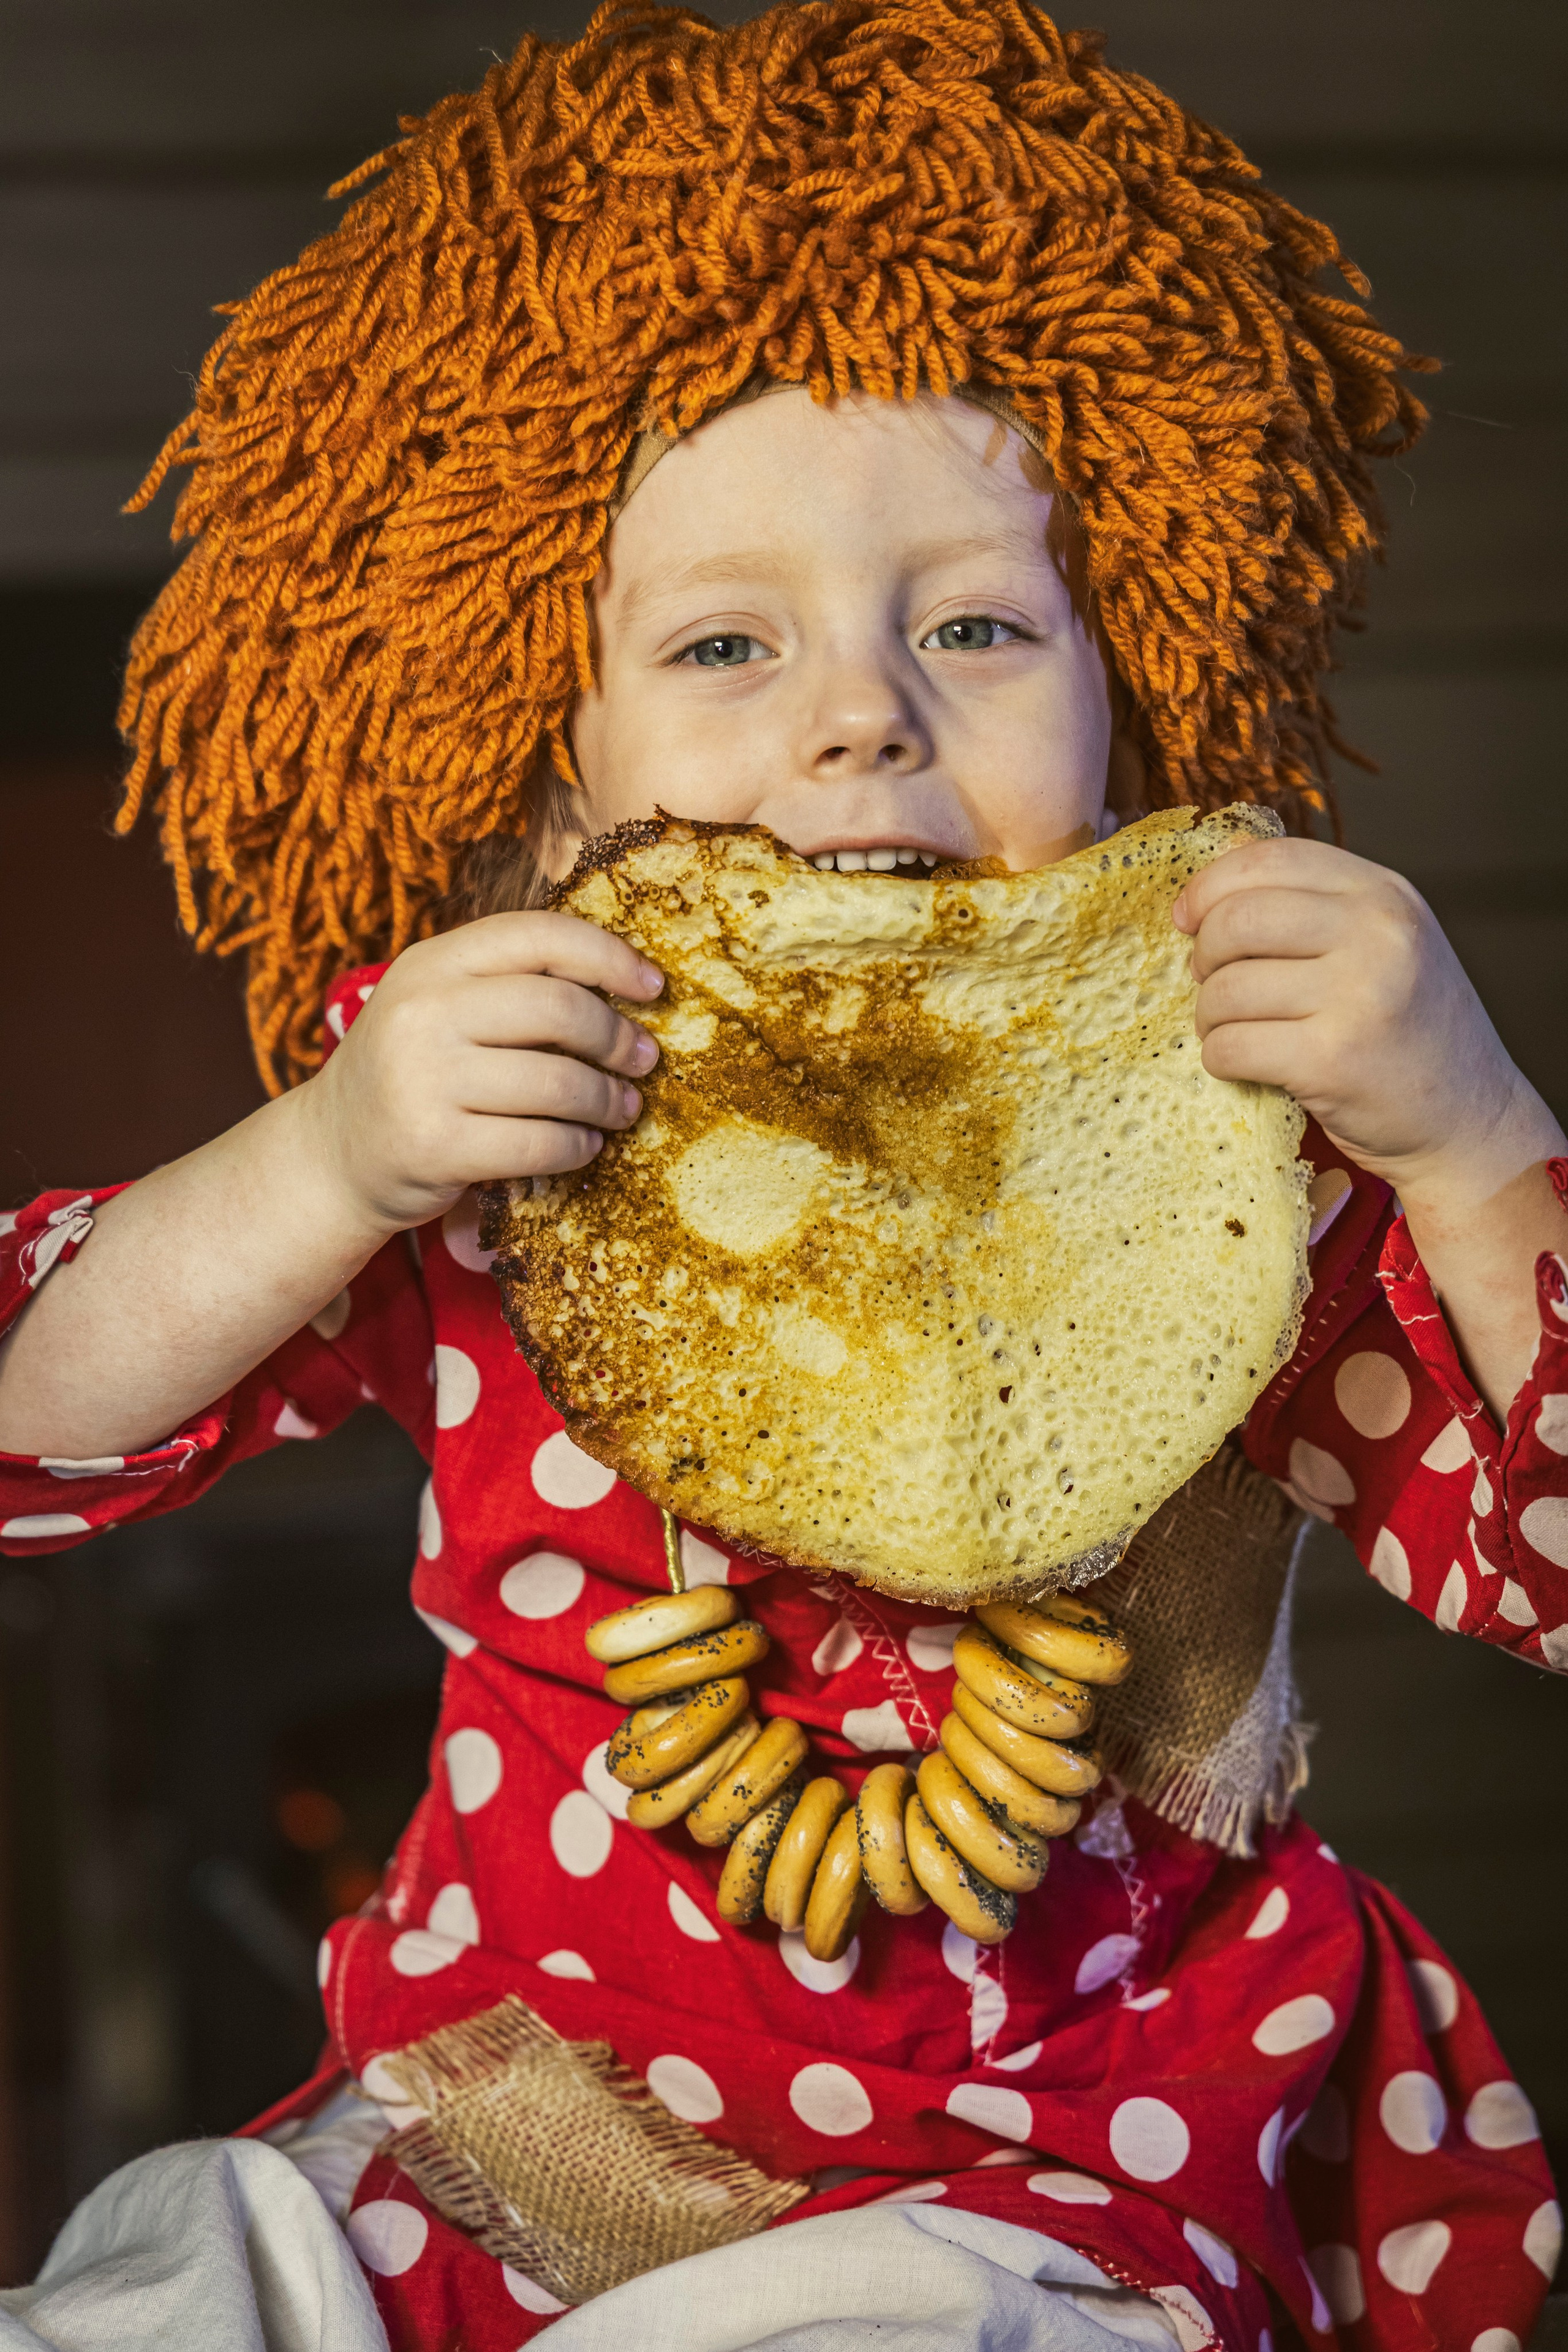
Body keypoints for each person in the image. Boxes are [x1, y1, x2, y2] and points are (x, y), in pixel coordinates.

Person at [0, 4, 1562, 2346]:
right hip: (510, 2138)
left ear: (1138, 712)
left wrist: (1474, 1133)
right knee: (178, 2276)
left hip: (1053, 2184)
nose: (865, 711)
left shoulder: (1255, 1175)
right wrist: (327, 1157)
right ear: (546, 793)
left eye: (974, 625)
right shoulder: (491, 1126)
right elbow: (41, 1426)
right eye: (730, 639)